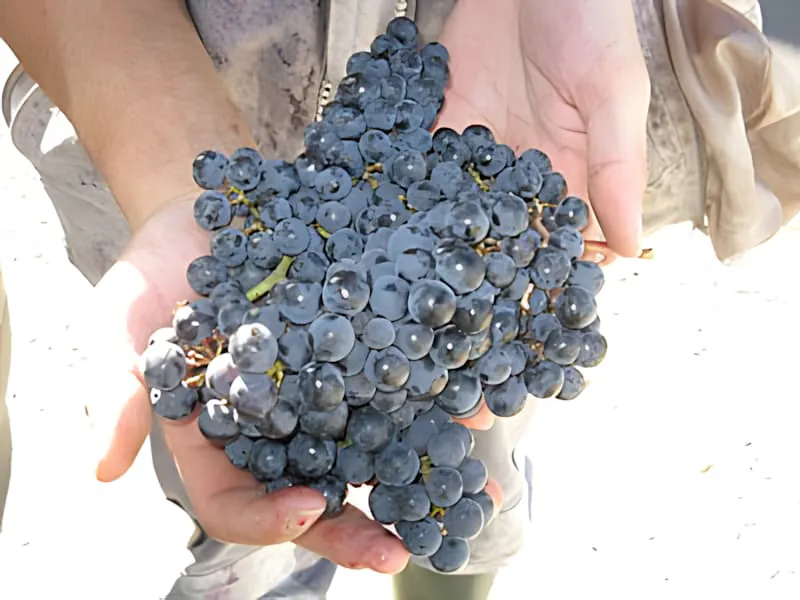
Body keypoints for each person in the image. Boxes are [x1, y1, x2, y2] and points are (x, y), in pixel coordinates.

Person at [1, 0, 798, 598]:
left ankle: (444, 578)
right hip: (182, 77)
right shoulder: (244, 329)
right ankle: (257, 575)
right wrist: (158, 141)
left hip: (487, 92)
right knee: (257, 488)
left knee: (476, 441)